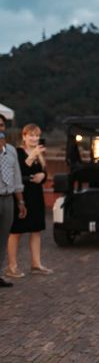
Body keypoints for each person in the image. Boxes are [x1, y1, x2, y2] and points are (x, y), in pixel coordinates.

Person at [6, 124, 52, 278]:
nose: (34, 138)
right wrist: (32, 156)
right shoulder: (17, 152)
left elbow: (44, 173)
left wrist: (42, 177)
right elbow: (19, 171)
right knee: (16, 231)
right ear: (24, 136)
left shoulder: (39, 153)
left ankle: (36, 264)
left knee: (36, 230)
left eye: (37, 135)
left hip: (36, 194)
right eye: (31, 135)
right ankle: (12, 267)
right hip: (21, 195)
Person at [0, 120, 27, 288]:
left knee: (2, 239)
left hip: (8, 199)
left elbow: (16, 177)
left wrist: (21, 201)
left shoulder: (10, 150)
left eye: (1, 125)